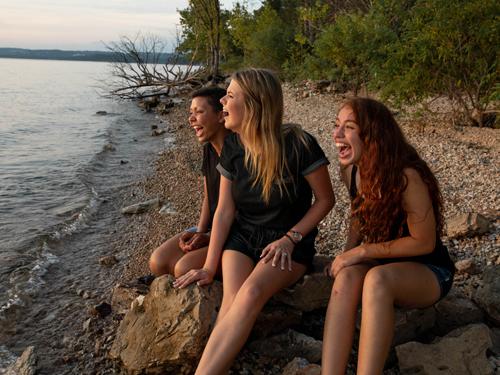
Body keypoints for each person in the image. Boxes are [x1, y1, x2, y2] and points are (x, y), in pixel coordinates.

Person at [173, 68, 335, 374]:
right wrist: (209, 265)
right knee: (233, 301)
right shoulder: (233, 147)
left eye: (230, 95)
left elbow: (326, 200)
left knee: (250, 294)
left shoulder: (299, 144)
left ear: (255, 104)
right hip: (243, 237)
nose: (222, 100)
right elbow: (224, 211)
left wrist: (292, 238)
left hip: (285, 242)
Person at [322, 97, 455, 374]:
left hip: (429, 270)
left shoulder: (406, 176)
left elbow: (424, 242)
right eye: (336, 126)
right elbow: (358, 214)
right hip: (385, 261)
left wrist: (362, 252)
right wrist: (346, 254)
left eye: (348, 128)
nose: (336, 135)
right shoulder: (352, 169)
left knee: (377, 280)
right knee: (346, 277)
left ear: (373, 134)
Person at [148, 86, 229, 278]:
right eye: (191, 113)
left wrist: (208, 237)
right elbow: (208, 196)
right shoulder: (209, 149)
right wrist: (199, 231)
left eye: (199, 112)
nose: (191, 119)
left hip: (233, 231)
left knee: (182, 269)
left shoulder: (238, 153)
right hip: (211, 227)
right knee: (158, 262)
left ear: (221, 115)